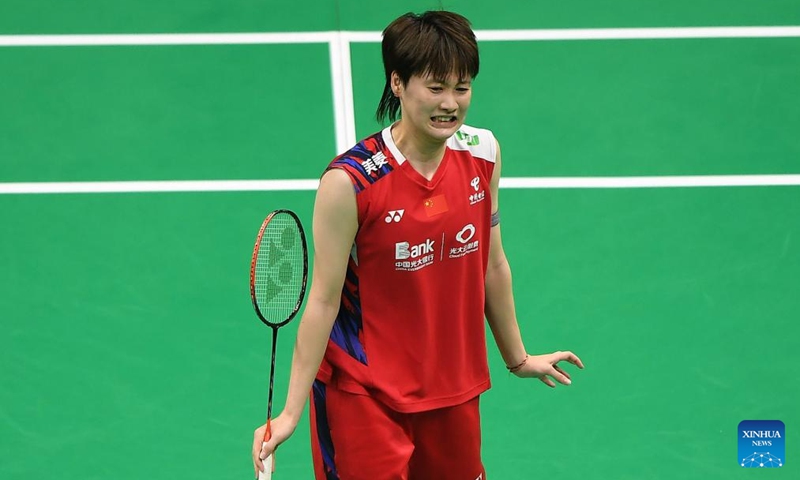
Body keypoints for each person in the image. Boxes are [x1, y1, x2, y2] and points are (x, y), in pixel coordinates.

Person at [252, 10, 584, 479]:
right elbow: (323, 300)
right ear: (397, 83)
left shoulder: (483, 154)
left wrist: (518, 357)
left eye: (461, 87)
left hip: (453, 389)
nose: (450, 103)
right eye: (435, 87)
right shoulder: (350, 183)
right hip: (364, 392)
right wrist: (289, 413)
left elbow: (492, 265)